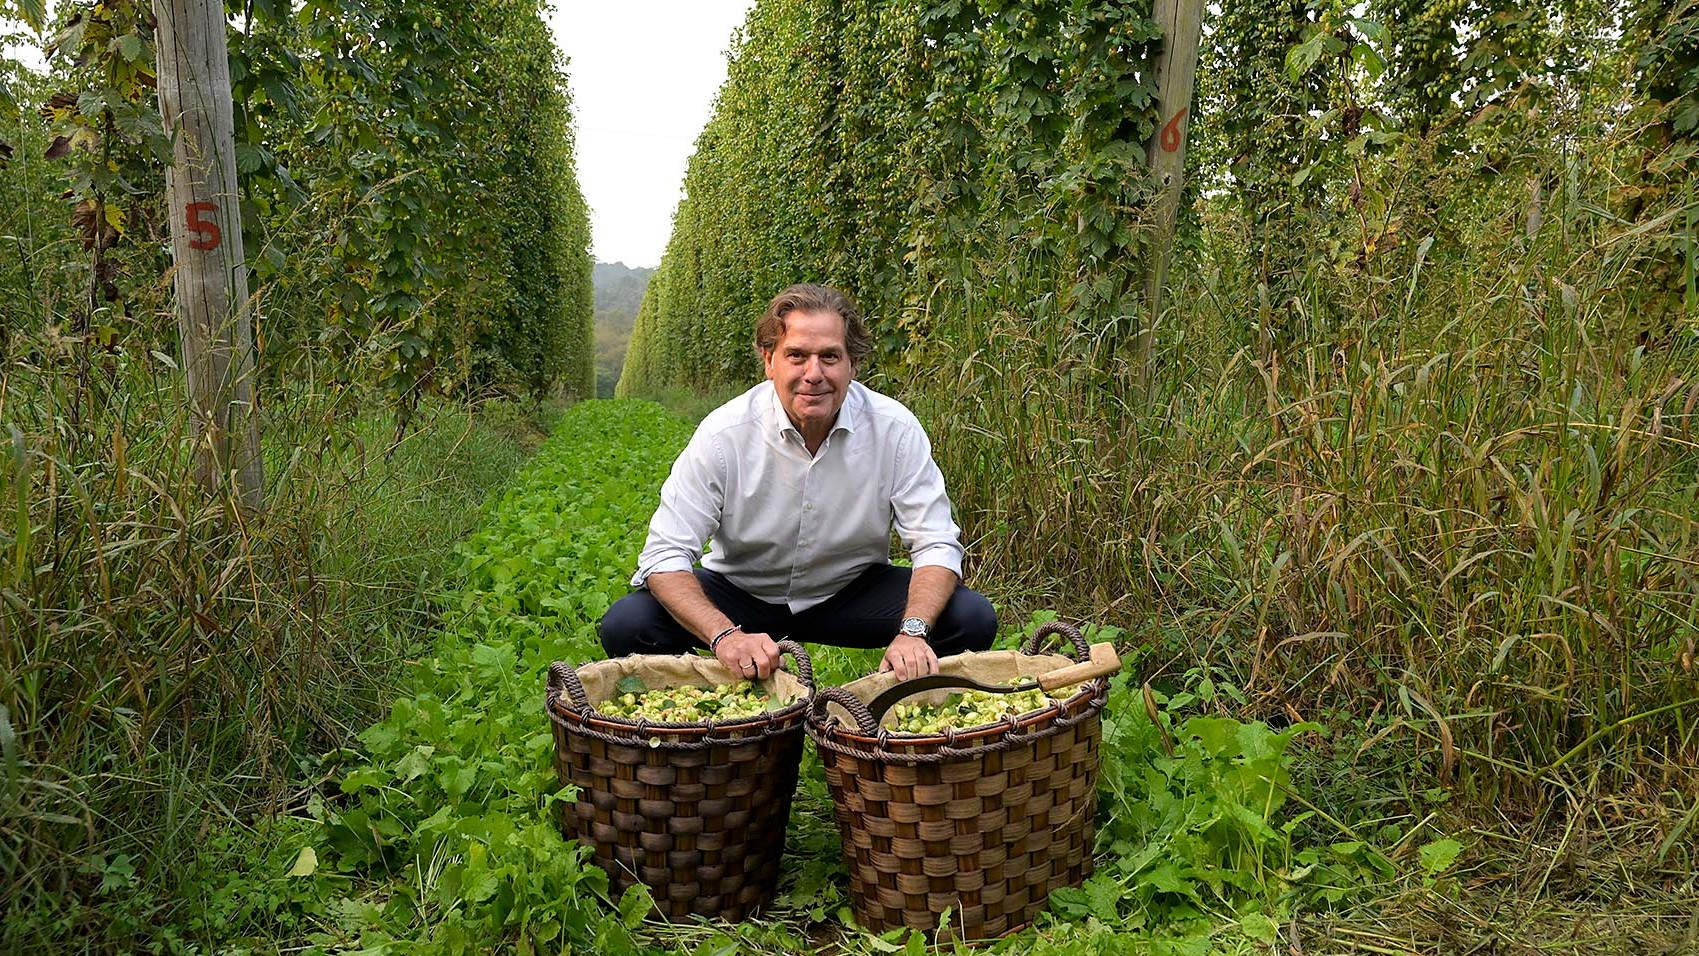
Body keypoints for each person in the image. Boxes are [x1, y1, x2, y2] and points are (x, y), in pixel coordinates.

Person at [599, 283, 997, 681]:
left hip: (851, 590)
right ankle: (715, 716)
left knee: (970, 618)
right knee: (628, 624)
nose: (814, 374)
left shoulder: (894, 429)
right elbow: (664, 555)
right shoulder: (724, 435)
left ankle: (897, 716)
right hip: (741, 591)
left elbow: (935, 543)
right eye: (796, 356)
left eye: (830, 357)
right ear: (769, 360)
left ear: (853, 365)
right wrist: (724, 636)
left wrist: (913, 632)